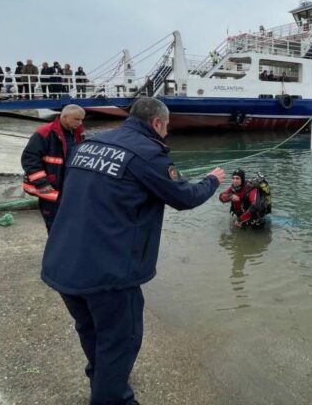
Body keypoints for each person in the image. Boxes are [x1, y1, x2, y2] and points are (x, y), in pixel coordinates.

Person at [41, 97, 224, 405]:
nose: (166, 134)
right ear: (156, 123)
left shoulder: (87, 144)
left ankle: (101, 377)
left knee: (90, 328)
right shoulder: (148, 153)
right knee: (121, 339)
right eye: (166, 128)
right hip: (107, 271)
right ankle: (112, 397)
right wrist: (212, 180)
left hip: (62, 260)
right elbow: (183, 198)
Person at [21, 104, 86, 232]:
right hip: (51, 188)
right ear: (65, 117)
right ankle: (56, 250)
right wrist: (42, 183)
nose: (80, 123)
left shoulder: (78, 134)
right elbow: (29, 159)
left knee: (69, 223)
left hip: (70, 188)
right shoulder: (44, 133)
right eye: (77, 119)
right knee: (54, 225)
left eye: (82, 120)